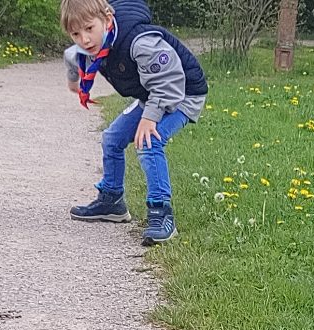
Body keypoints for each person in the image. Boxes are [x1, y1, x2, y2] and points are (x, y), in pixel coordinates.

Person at [60, 0, 208, 245]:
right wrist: (74, 81)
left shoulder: (141, 43)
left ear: (107, 19)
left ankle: (161, 213)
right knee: (112, 138)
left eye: (89, 29)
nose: (85, 40)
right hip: (151, 96)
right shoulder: (89, 45)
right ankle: (112, 200)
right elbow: (71, 55)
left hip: (182, 94)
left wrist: (150, 118)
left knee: (149, 141)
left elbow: (167, 83)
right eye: (76, 33)